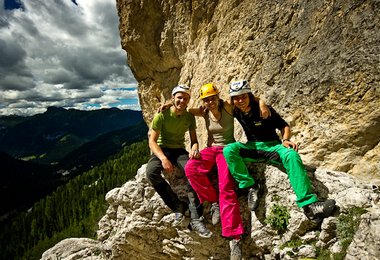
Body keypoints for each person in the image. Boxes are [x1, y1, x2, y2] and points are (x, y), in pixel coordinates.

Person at [223, 79, 336, 224]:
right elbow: (223, 102)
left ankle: (309, 205)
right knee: (229, 150)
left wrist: (285, 140)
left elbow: (284, 126)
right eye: (236, 98)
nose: (240, 100)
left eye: (244, 96)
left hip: (273, 147)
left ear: (249, 96)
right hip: (253, 147)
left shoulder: (264, 110)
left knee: (291, 155)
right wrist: (260, 100)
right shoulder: (236, 110)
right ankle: (251, 187)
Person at [184, 83, 270, 259]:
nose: (210, 102)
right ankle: (213, 201)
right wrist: (170, 104)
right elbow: (186, 110)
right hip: (211, 150)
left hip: (227, 150)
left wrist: (261, 103)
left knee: (226, 188)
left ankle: (234, 238)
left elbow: (248, 101)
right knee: (191, 168)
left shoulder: (228, 107)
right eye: (206, 100)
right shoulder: (204, 111)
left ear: (218, 97)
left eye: (212, 98)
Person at [146, 84, 212, 238]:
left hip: (179, 150)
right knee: (151, 173)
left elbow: (194, 140)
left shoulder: (189, 116)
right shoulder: (161, 115)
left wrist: (195, 148)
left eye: (186, 98)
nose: (182, 101)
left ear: (189, 101)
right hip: (162, 148)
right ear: (173, 98)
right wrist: (163, 159)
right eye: (179, 97)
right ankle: (177, 205)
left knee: (193, 171)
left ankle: (196, 217)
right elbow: (152, 141)